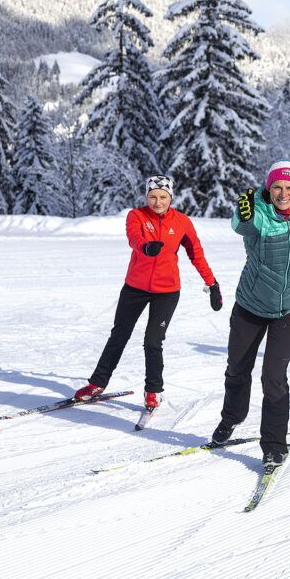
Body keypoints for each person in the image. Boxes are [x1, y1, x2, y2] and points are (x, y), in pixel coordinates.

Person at [210, 160, 290, 467]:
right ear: (269, 188)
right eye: (277, 187)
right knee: (237, 369)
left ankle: (274, 444)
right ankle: (231, 418)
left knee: (273, 377)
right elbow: (240, 225)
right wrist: (244, 213)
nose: (283, 193)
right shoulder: (258, 213)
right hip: (250, 306)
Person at [74, 175, 222, 417]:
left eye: (163, 197)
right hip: (135, 287)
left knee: (153, 341)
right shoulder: (137, 215)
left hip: (167, 291)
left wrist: (212, 284)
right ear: (147, 196)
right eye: (152, 196)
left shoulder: (182, 222)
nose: (157, 202)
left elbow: (196, 254)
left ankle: (153, 390)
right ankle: (97, 383)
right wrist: (145, 247)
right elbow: (134, 238)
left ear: (170, 197)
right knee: (119, 335)